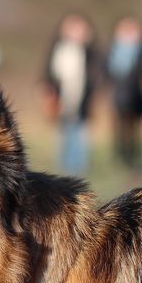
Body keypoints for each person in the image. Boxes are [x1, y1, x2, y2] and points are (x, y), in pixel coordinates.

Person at [106, 16, 142, 176]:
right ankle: (123, 158)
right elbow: (104, 73)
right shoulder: (112, 50)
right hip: (119, 96)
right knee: (121, 129)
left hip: (138, 96)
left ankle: (135, 160)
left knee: (136, 130)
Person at [43, 14, 100, 176]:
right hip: (60, 101)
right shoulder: (57, 49)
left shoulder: (90, 52)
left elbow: (97, 76)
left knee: (80, 136)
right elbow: (47, 75)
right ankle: (64, 171)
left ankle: (79, 171)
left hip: (82, 102)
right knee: (62, 136)